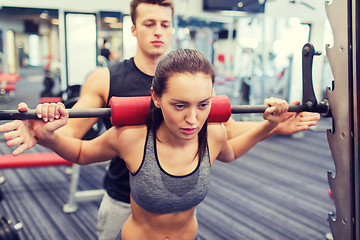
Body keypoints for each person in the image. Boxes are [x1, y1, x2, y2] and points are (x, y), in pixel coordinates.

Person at [0, 0, 320, 239]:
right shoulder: (106, 79)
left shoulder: (188, 76)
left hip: (181, 198)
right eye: (150, 23)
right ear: (133, 28)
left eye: (165, 25)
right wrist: (44, 134)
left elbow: (226, 133)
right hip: (125, 198)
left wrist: (274, 126)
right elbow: (77, 136)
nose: (158, 32)